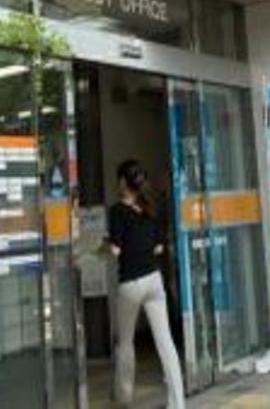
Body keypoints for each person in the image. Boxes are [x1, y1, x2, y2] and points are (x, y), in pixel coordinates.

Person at [106, 159, 185, 409]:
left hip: (130, 284)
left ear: (123, 182)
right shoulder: (150, 208)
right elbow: (159, 247)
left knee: (126, 343)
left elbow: (115, 250)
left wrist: (102, 247)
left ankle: (124, 396)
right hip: (153, 280)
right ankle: (178, 402)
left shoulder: (117, 211)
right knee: (165, 342)